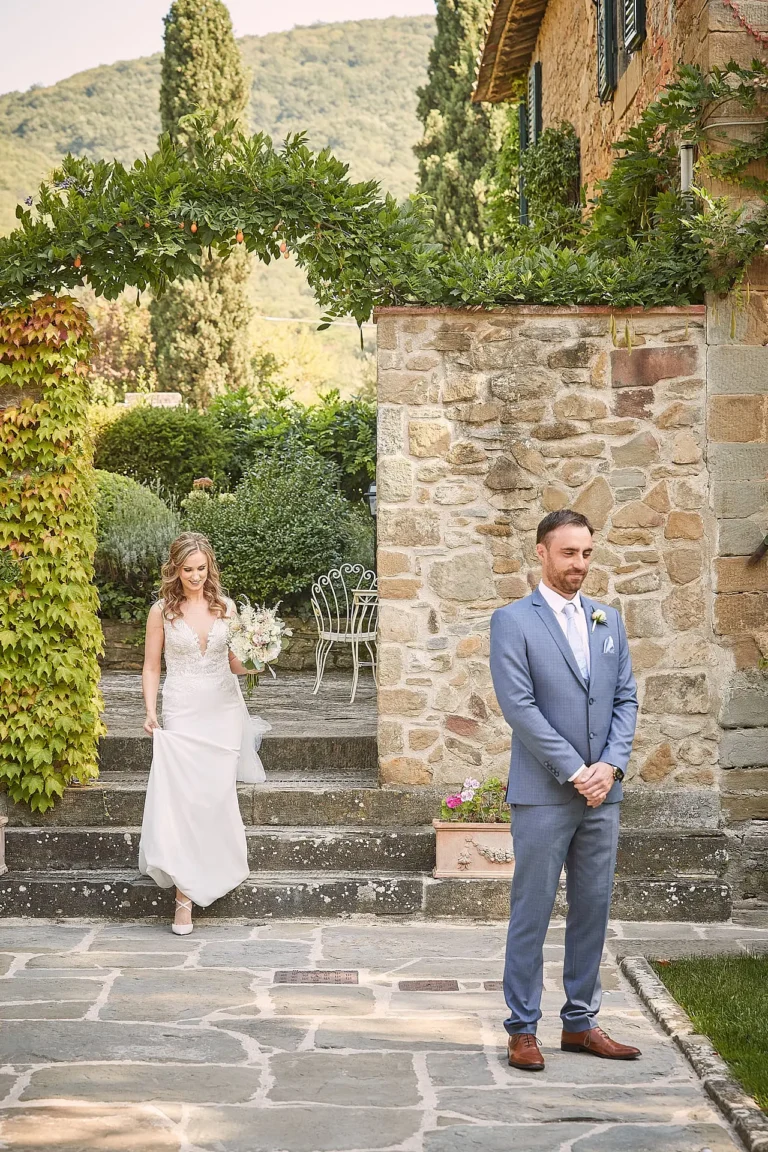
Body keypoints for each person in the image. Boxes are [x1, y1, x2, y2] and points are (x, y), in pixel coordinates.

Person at [489, 509, 640, 1071]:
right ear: (542, 553)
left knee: (593, 908)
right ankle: (522, 1028)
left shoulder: (609, 619)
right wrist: (577, 770)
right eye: (568, 553)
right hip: (546, 792)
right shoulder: (513, 621)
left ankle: (580, 1022)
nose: (579, 564)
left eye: (586, 554)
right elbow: (519, 708)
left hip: (604, 792)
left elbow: (625, 698)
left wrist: (612, 767)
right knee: (532, 908)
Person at [138, 532, 269, 935]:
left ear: (209, 566)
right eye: (188, 570)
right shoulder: (161, 611)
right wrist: (149, 709)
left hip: (222, 710)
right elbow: (152, 666)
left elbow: (233, 663)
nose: (196, 576)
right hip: (182, 709)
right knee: (185, 800)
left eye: (201, 568)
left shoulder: (225, 607)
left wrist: (257, 657)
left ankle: (210, 872)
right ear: (175, 570)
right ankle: (183, 896)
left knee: (212, 798)